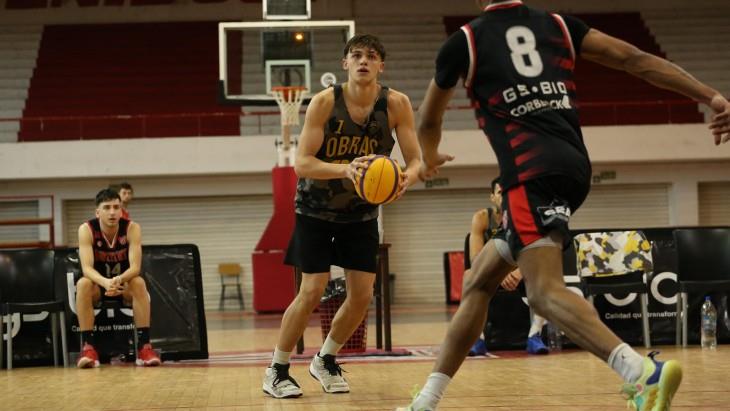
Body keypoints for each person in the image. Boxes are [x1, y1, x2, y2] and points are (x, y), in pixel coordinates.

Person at [399, 1, 730, 410]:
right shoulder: (557, 24)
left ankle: (642, 372)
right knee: (479, 282)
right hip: (574, 168)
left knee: (543, 293)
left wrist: (429, 156)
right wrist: (711, 96)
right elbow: (635, 59)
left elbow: (428, 121)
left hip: (528, 173)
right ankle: (427, 401)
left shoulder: (465, 41)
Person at [262, 34, 422, 399]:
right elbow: (302, 163)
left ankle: (325, 359)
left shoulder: (396, 104)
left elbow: (415, 161)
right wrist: (346, 169)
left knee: (362, 296)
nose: (364, 61)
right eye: (357, 55)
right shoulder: (324, 102)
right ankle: (277, 369)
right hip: (315, 209)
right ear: (344, 63)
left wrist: (405, 179)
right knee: (312, 291)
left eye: (371, 56)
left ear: (381, 65)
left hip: (361, 213)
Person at [75, 188, 160, 368]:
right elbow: (86, 268)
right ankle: (88, 348)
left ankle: (144, 348)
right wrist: (106, 282)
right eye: (107, 208)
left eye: (116, 207)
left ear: (121, 210)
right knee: (83, 284)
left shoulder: (132, 228)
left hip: (123, 285)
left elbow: (135, 268)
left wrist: (117, 280)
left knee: (138, 282)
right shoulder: (86, 229)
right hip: (99, 286)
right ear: (97, 212)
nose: (112, 212)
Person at [465, 177, 548, 356]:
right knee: (470, 277)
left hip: (519, 271)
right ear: (492, 197)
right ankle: (477, 339)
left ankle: (535, 336)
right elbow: (476, 258)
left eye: (509, 193)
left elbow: (534, 254)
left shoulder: (525, 216)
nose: (505, 197)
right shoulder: (481, 218)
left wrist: (519, 272)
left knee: (541, 277)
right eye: (500, 193)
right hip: (491, 270)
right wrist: (500, 273)